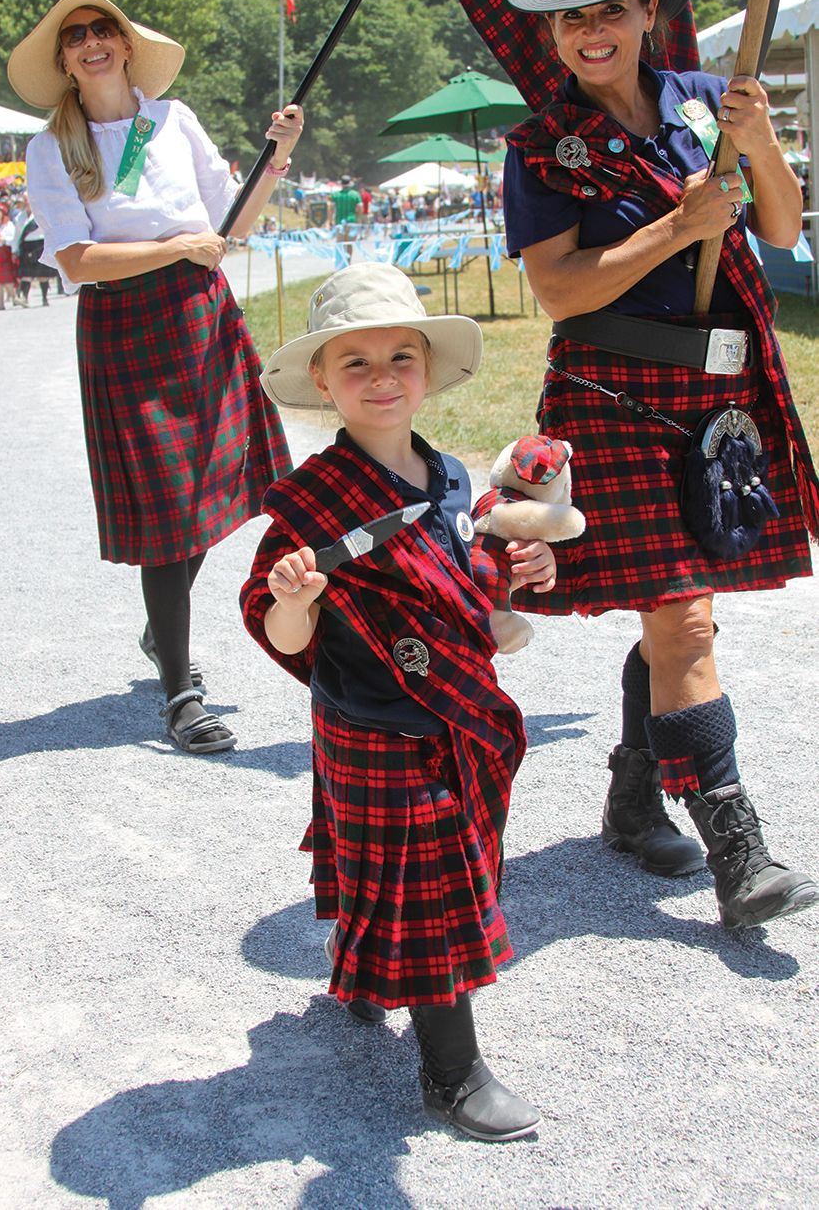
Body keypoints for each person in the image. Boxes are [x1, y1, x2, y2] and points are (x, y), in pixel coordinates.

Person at [502, 0, 819, 927]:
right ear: (553, 33)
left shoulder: (707, 102)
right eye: (571, 18)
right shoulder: (540, 147)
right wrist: (679, 225)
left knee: (682, 612)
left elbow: (781, 226)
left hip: (719, 398)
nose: (591, 31)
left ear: (649, 12)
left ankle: (636, 801)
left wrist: (758, 145)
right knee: (681, 617)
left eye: (611, 10)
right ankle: (740, 851)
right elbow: (560, 290)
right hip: (611, 395)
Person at [241, 263, 556, 1141]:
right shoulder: (311, 502)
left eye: (399, 358)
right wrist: (296, 598)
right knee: (430, 886)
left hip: (457, 714)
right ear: (322, 380)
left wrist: (526, 565)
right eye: (356, 363)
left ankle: (361, 966)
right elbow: (283, 634)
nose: (381, 378)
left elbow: (470, 584)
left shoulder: (451, 477)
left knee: (399, 868)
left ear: (427, 369)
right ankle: (453, 1074)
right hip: (372, 726)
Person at [10, 0, 302, 754]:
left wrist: (276, 159)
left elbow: (232, 223)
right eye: (76, 36)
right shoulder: (51, 147)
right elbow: (77, 260)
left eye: (103, 29)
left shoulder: (173, 120)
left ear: (126, 44)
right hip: (124, 324)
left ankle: (159, 630)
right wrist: (177, 247)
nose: (92, 42)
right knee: (169, 511)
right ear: (65, 59)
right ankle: (179, 696)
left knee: (215, 486)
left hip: (200, 313)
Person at [11, 192, 51, 306]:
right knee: (26, 275)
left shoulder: (41, 214)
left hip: (40, 245)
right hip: (26, 246)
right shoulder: (19, 217)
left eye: (27, 199)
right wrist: (14, 250)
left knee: (43, 274)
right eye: (24, 200)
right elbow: (17, 235)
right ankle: (25, 298)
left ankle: (45, 298)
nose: (25, 202)